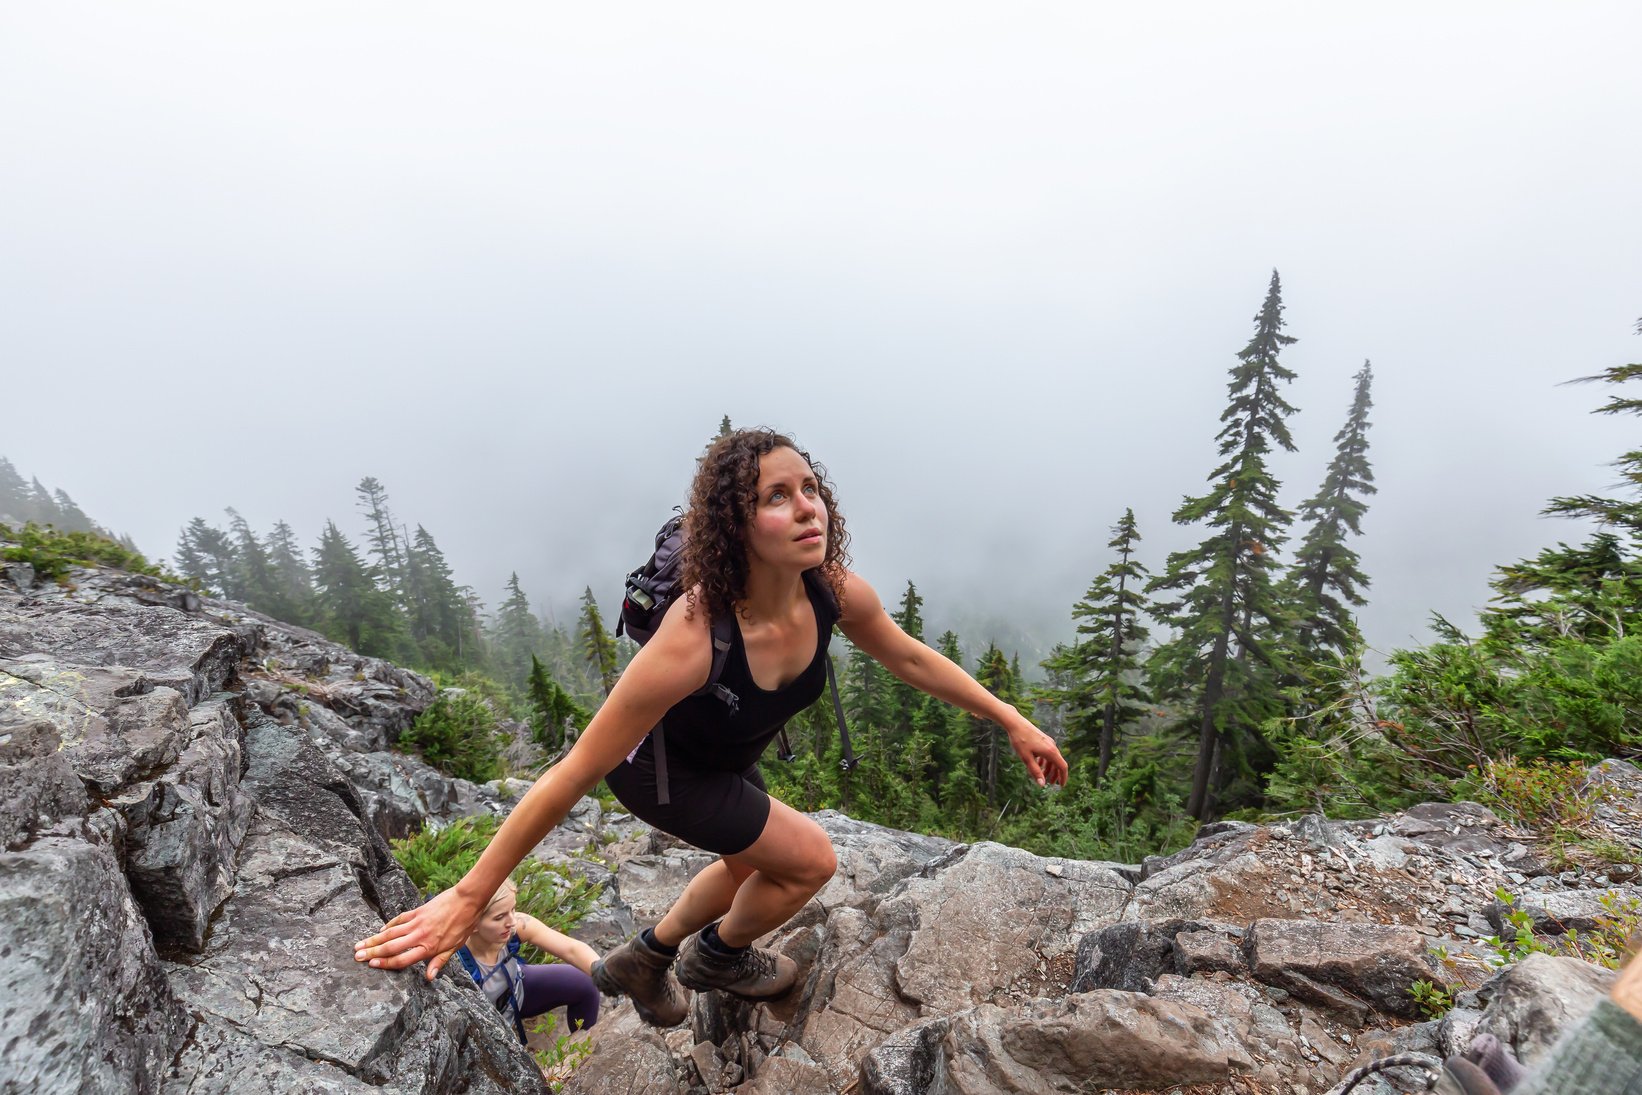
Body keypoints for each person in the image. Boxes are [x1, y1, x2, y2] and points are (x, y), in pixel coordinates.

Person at [355, 428, 1068, 1027]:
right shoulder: (695, 635)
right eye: (776, 497)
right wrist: (470, 894)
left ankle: (647, 957)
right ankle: (717, 956)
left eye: (811, 488)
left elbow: (908, 654)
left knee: (747, 863)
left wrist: (1009, 717)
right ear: (736, 523)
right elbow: (572, 771)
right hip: (659, 773)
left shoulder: (833, 592)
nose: (806, 508)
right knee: (811, 859)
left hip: (722, 756)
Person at [454, 878, 601, 1042]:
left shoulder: (517, 926)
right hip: (482, 1021)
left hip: (515, 990)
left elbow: (571, 949)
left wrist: (608, 973)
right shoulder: (453, 956)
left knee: (586, 983)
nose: (511, 922)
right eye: (499, 917)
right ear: (471, 924)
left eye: (513, 909)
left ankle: (583, 1054)